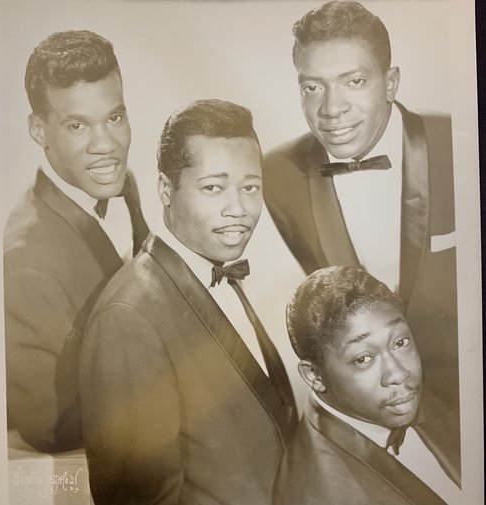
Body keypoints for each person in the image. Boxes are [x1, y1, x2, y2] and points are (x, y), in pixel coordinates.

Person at [79, 99, 298, 505]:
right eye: (213, 188)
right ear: (165, 189)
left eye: (249, 187)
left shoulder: (217, 271)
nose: (238, 209)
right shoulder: (128, 317)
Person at [263, 0, 458, 423]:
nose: (331, 109)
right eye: (312, 87)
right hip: (370, 417)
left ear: (390, 83)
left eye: (353, 81)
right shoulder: (278, 174)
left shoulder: (459, 143)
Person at [3, 30, 149, 453]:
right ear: (38, 130)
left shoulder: (123, 186)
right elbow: (48, 427)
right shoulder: (25, 262)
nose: (106, 146)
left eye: (115, 117)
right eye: (78, 125)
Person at [274, 266, 461, 505]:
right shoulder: (317, 495)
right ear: (314, 376)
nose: (398, 373)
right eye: (363, 358)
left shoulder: (428, 394)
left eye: (400, 342)